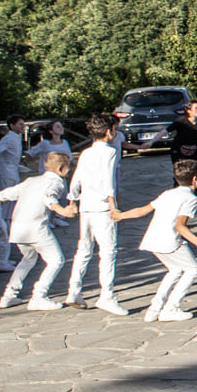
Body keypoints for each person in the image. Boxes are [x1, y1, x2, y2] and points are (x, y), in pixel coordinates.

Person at [114, 159, 197, 322]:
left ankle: (154, 309)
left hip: (153, 239)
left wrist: (121, 215)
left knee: (175, 270)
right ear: (195, 179)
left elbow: (143, 211)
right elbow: (180, 226)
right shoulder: (191, 199)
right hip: (169, 241)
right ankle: (171, 308)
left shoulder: (167, 193)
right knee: (193, 269)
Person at [62, 113, 128, 316]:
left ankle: (74, 290)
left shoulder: (86, 153)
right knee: (108, 251)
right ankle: (106, 295)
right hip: (101, 207)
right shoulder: (109, 152)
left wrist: (72, 200)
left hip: (86, 205)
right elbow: (109, 180)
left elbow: (76, 178)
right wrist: (113, 205)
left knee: (84, 249)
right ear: (110, 132)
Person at [0, 153, 77, 310]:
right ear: (61, 169)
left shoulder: (31, 180)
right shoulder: (57, 183)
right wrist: (63, 211)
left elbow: (9, 193)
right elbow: (50, 197)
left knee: (28, 259)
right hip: (36, 227)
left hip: (18, 228)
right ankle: (39, 295)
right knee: (56, 260)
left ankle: (8, 295)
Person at [152, 101, 197, 186]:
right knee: (181, 174)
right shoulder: (180, 121)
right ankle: (178, 191)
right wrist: (152, 141)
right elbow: (165, 131)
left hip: (193, 151)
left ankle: (193, 194)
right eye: (196, 108)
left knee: (195, 172)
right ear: (189, 111)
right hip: (178, 151)